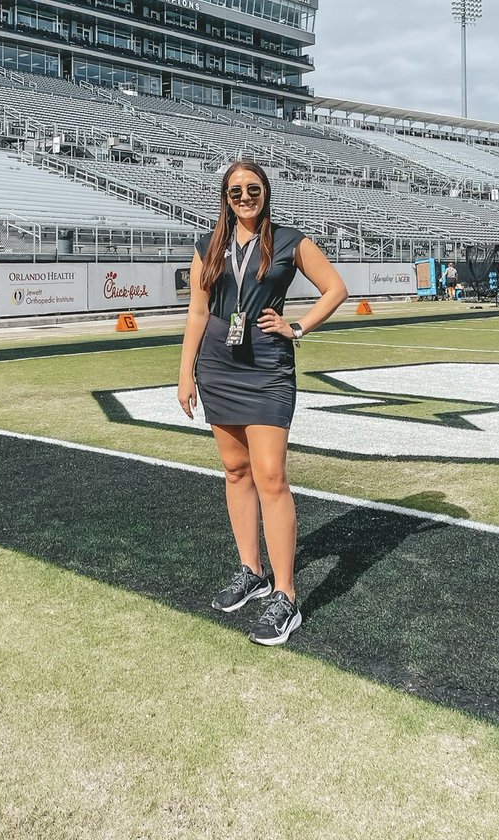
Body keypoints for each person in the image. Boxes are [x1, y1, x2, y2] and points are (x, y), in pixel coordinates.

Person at [178, 160, 348, 646]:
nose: (245, 197)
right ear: (225, 197)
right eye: (235, 192)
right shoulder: (208, 245)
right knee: (235, 471)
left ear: (266, 192)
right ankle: (251, 571)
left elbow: (335, 288)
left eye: (253, 189)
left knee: (270, 474)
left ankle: (287, 597)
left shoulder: (292, 241)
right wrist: (185, 372)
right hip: (218, 363)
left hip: (268, 365)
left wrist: (298, 327)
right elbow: (196, 311)